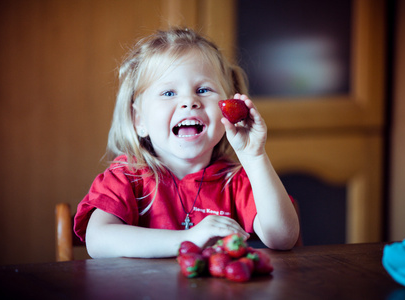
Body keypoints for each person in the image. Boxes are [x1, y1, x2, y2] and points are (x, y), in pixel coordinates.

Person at [74, 28, 300, 258]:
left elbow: (283, 237)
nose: (189, 101)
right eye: (169, 93)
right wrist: (187, 239)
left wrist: (255, 156)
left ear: (229, 108)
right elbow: (98, 240)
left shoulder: (237, 181)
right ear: (139, 120)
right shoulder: (126, 178)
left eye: (203, 90)